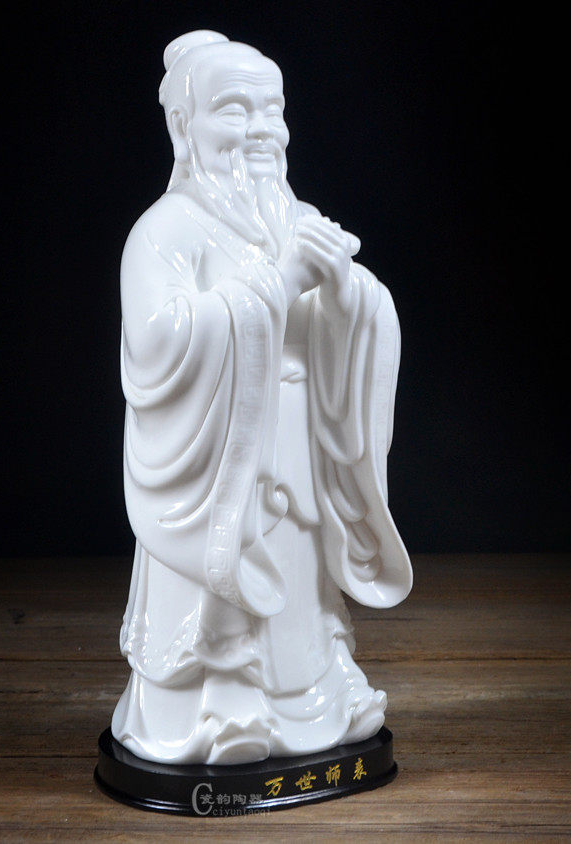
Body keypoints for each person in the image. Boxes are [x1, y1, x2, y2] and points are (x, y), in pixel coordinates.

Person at [112, 30, 412, 765]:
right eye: (234, 110)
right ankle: (220, 706)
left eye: (271, 111)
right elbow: (160, 343)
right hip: (220, 461)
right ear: (183, 125)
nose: (259, 130)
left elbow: (354, 316)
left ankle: (320, 690)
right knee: (227, 578)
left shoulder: (291, 217)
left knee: (300, 575)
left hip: (295, 440)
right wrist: (280, 284)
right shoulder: (164, 232)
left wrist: (345, 296)